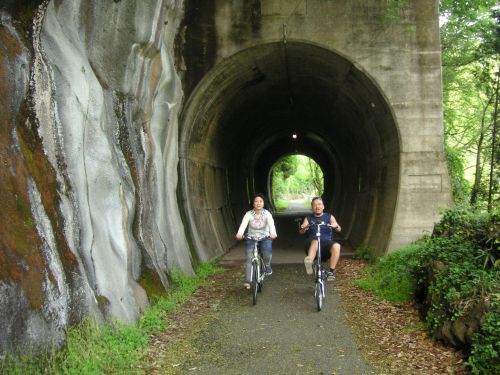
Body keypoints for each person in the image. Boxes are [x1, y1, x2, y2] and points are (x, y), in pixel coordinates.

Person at [235, 194, 278, 289]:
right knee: (250, 257)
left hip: (265, 237)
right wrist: (239, 234)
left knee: (267, 252)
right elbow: (243, 225)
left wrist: (273, 233)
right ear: (253, 203)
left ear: (263, 203)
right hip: (251, 237)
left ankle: (267, 265)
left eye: (261, 201)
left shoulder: (267, 214)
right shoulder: (248, 214)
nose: (258, 203)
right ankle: (248, 280)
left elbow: (271, 225)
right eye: (256, 201)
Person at [298, 196, 341, 281]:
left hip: (326, 243)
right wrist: (303, 227)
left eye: (319, 204)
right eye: (314, 205)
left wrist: (336, 226)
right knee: (315, 241)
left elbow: (338, 228)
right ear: (312, 207)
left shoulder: (329, 216)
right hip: (311, 244)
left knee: (337, 246)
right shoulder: (308, 218)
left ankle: (331, 272)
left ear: (323, 206)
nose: (317, 207)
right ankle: (309, 262)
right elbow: (301, 231)